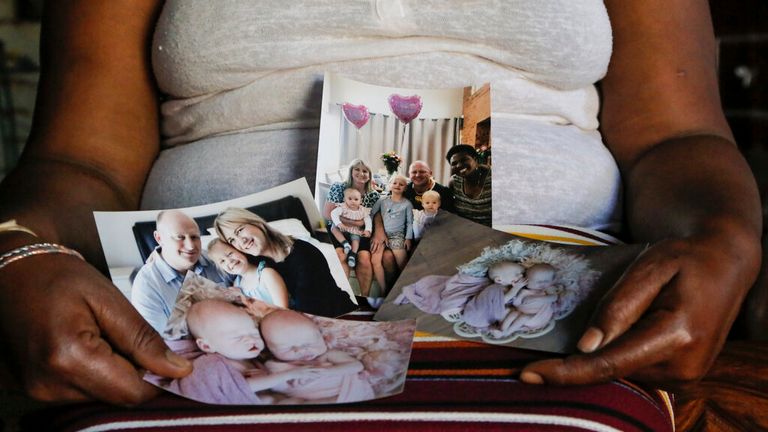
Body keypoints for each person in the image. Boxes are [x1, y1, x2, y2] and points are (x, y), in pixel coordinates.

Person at [0, 1, 761, 405]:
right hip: (207, 341)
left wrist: (722, 236)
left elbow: (677, 135)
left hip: (564, 325)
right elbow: (78, 157)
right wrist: (20, 247)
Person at [213, 207, 357, 318]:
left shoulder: (303, 254)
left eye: (239, 231)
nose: (241, 241)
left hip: (338, 315)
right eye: (232, 240)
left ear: (256, 223)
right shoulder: (252, 261)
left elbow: (309, 310)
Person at [178, 299, 323, 404]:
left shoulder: (253, 360)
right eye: (237, 337)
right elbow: (242, 388)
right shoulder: (211, 365)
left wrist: (267, 376)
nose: (250, 339)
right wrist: (289, 374)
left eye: (254, 333)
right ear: (207, 346)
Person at [131, 209, 226, 333]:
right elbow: (157, 341)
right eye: (180, 237)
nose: (191, 246)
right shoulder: (146, 284)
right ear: (159, 238)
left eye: (194, 237)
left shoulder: (216, 260)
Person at [259, 309, 374, 404]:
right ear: (270, 350)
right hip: (306, 399)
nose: (301, 351)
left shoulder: (328, 355)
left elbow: (356, 366)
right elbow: (278, 387)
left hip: (346, 392)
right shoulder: (275, 365)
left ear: (322, 337)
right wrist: (273, 377)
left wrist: (328, 371)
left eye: (309, 344)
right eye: (288, 348)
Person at [323, 159, 380, 296]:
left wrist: (365, 227)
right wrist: (353, 222)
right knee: (340, 255)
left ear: (370, 175)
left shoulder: (373, 195)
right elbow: (327, 214)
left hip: (359, 233)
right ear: (351, 172)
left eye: (365, 171)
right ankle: (342, 297)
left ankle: (364, 298)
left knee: (365, 258)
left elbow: (373, 219)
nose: (361, 174)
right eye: (357, 170)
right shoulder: (338, 187)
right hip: (337, 229)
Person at [207, 238, 290, 309]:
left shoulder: (266, 275)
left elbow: (284, 311)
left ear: (240, 251)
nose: (229, 261)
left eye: (230, 254)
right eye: (222, 261)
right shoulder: (237, 285)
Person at [371, 175, 414, 293]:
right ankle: (384, 289)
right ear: (390, 185)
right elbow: (372, 214)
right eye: (395, 183)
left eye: (401, 184)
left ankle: (407, 288)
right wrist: (372, 231)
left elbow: (410, 222)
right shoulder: (382, 200)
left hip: (397, 235)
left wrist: (408, 238)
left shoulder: (407, 204)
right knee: (375, 260)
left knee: (403, 263)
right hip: (381, 235)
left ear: (405, 188)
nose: (397, 186)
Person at [446, 145, 492, 227]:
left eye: (464, 160)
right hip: (463, 230)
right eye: (454, 163)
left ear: (475, 159)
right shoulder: (454, 182)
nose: (459, 165)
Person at [329, 188, 372, 269]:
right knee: (334, 228)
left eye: (356, 199)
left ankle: (352, 255)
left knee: (356, 240)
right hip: (343, 227)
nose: (353, 201)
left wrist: (368, 230)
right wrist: (339, 223)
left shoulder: (363, 210)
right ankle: (345, 243)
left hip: (354, 230)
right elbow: (333, 213)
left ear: (361, 201)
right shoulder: (343, 207)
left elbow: (368, 220)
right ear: (345, 199)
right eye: (350, 199)